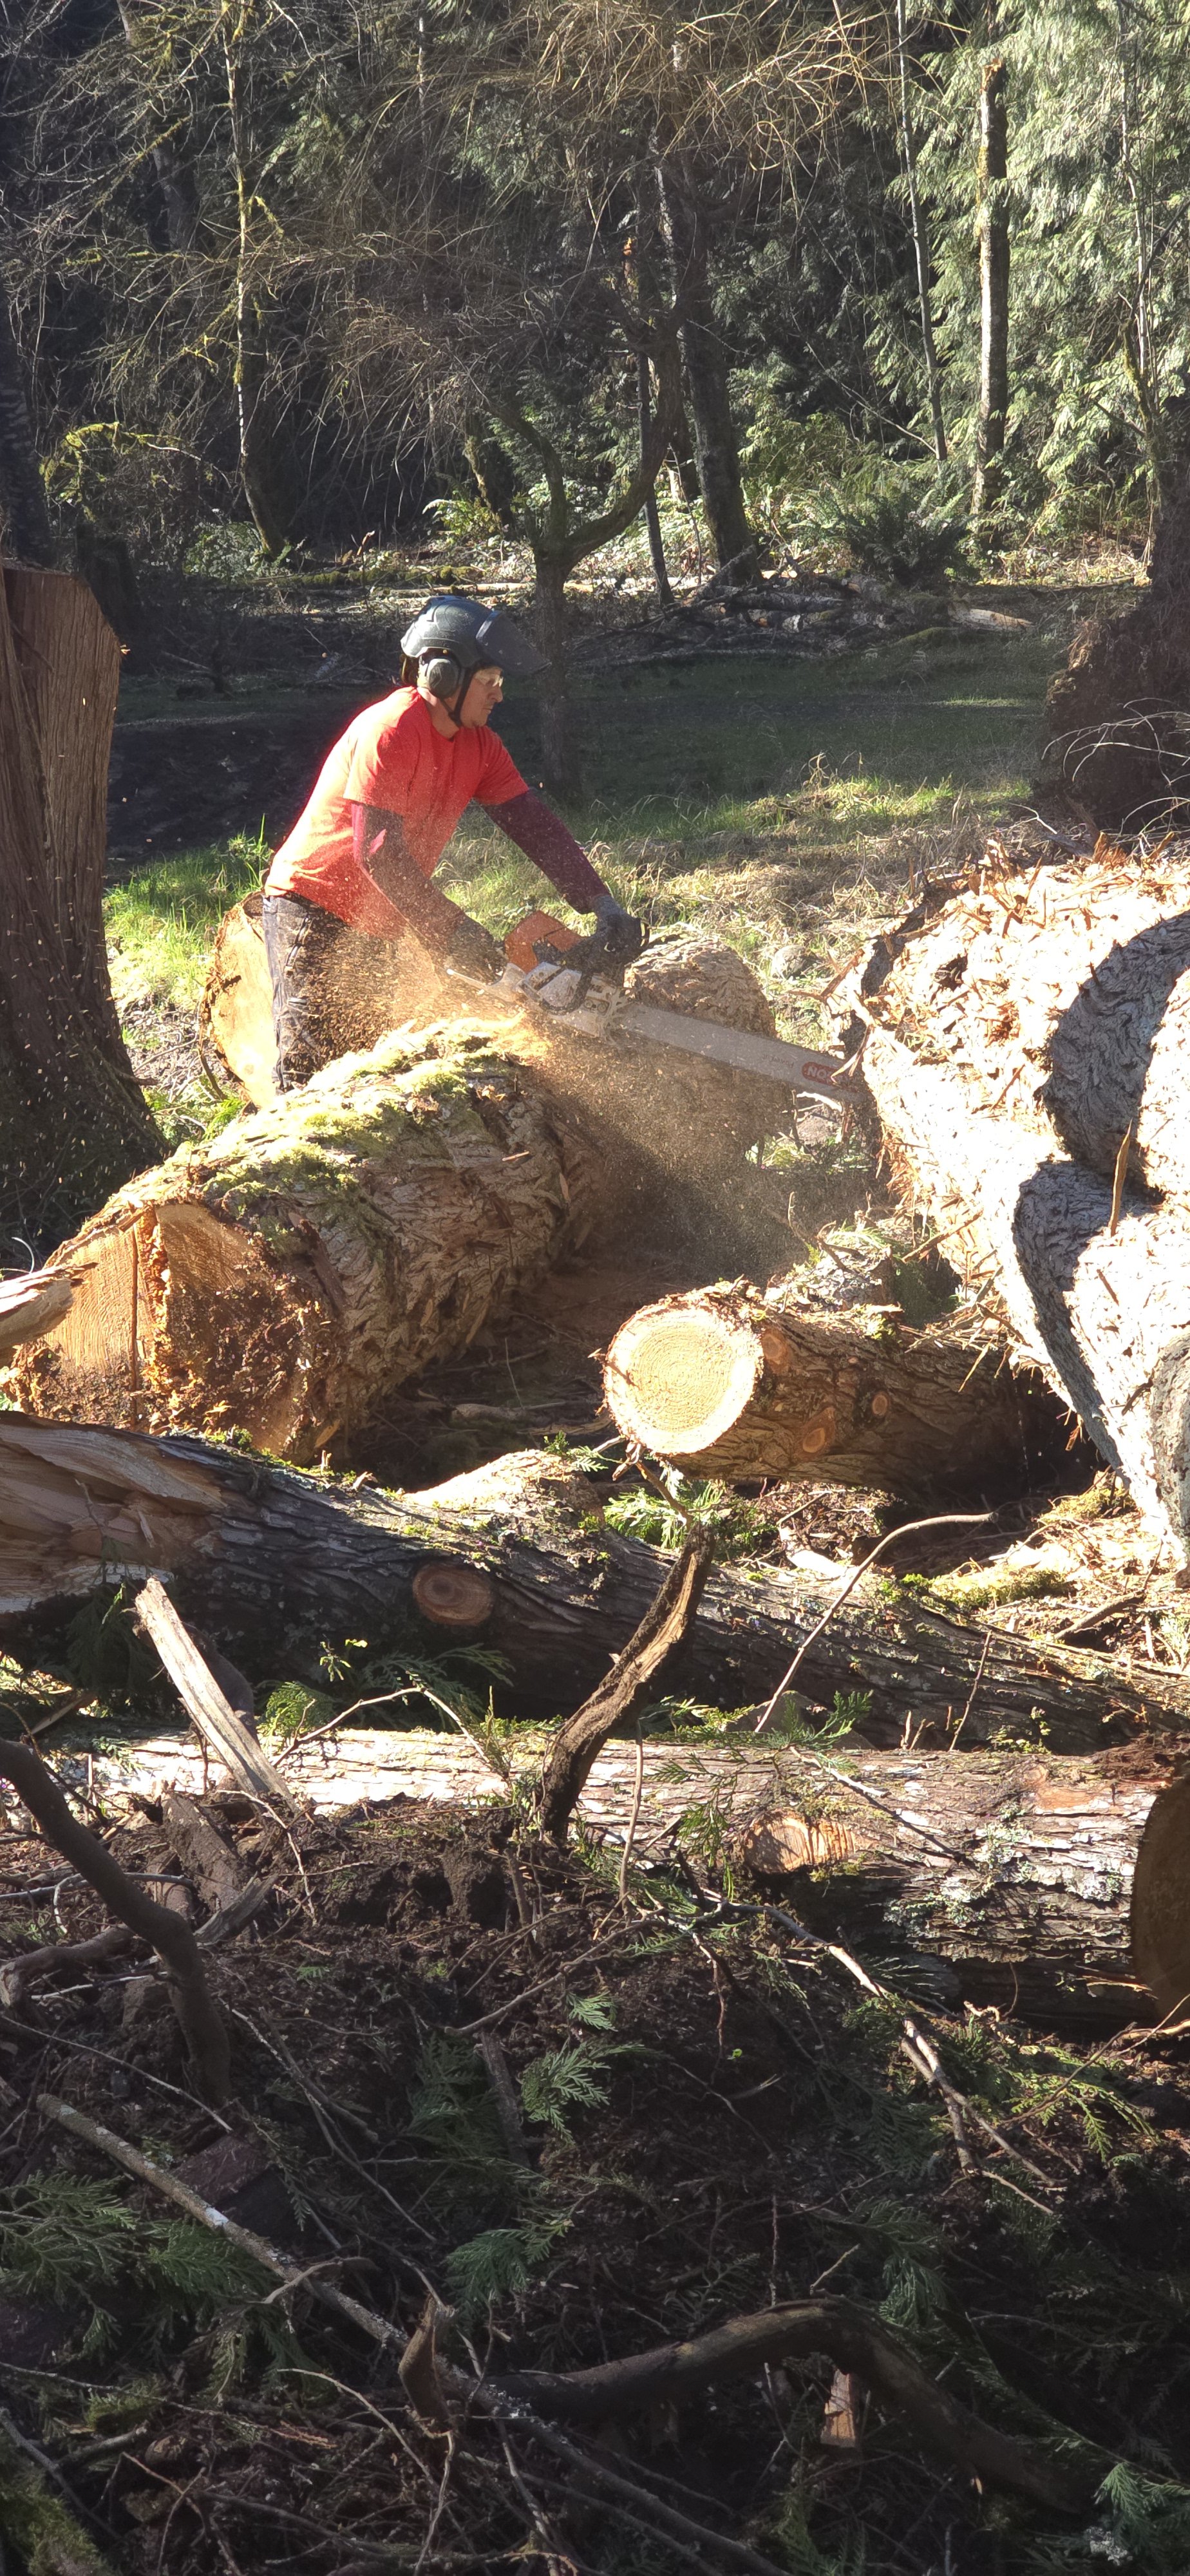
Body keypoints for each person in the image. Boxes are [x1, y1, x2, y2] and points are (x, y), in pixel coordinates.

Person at [261, 592, 644, 1090]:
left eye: (500, 682)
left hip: (382, 916)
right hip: (313, 905)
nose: (499, 695)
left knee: (361, 1072)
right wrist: (452, 929)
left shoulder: (479, 744)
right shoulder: (393, 729)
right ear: (443, 676)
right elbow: (376, 851)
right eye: (489, 682)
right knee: (309, 1068)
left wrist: (601, 900)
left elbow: (532, 824)